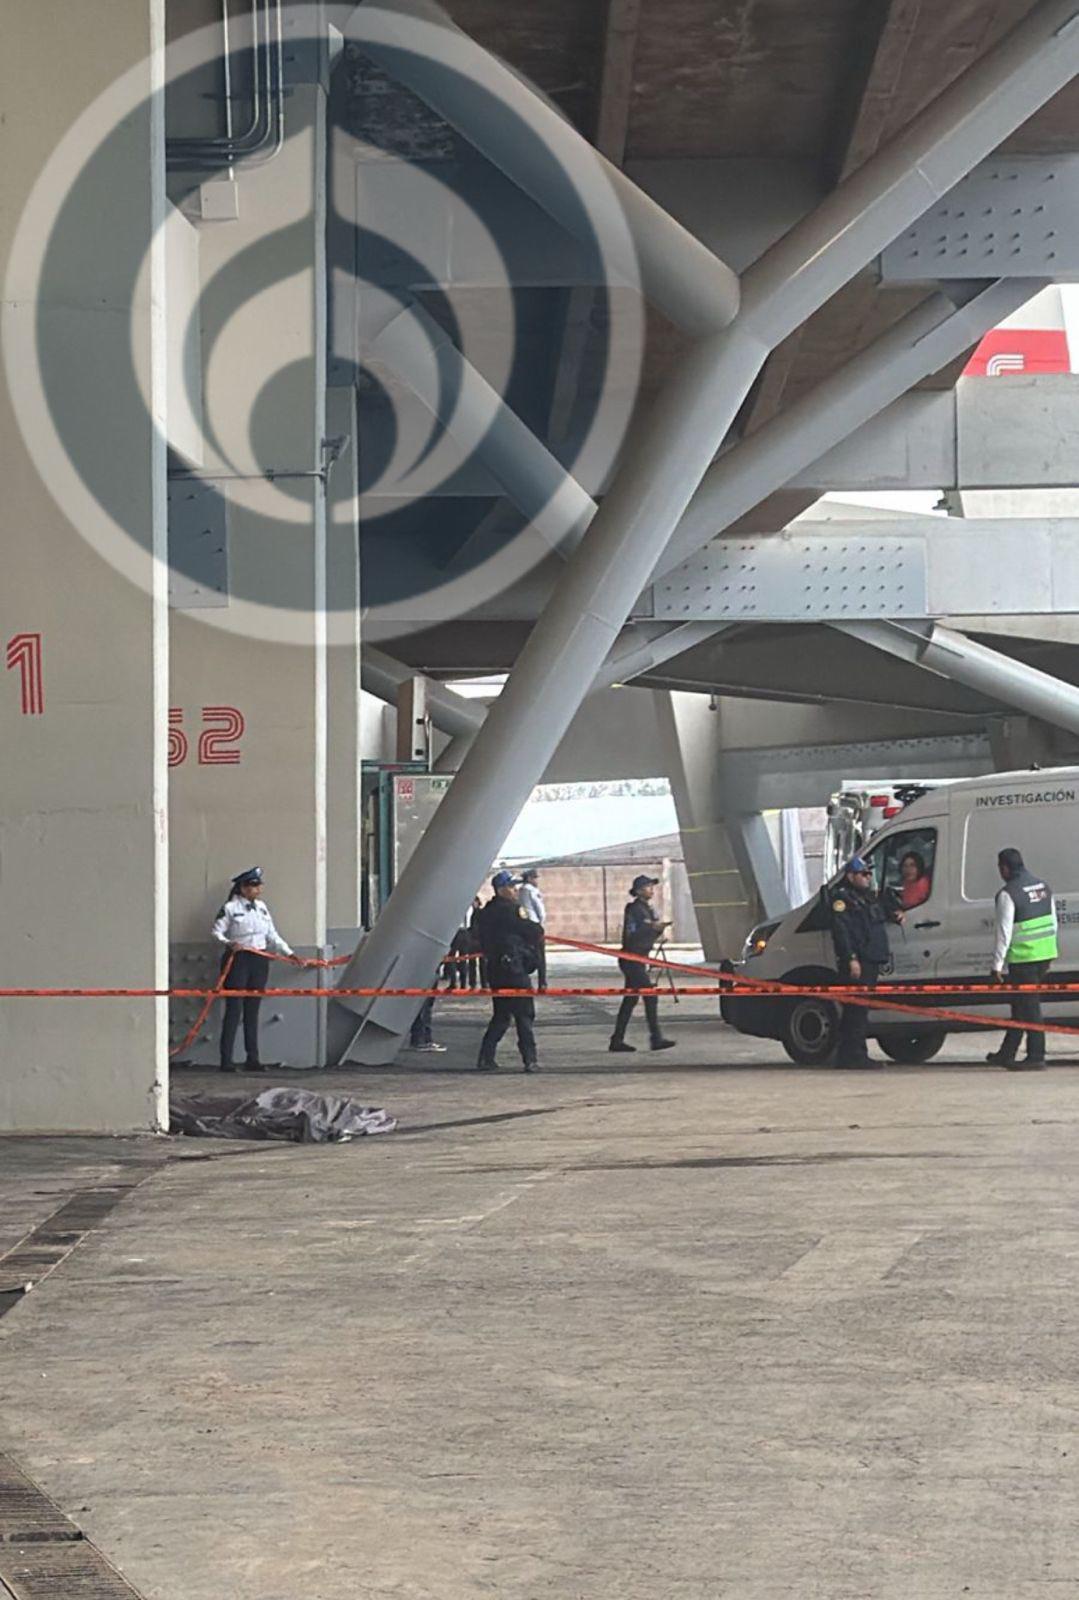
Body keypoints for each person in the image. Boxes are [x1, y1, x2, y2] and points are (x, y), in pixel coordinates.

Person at [211, 867, 304, 1073]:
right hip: (238, 959)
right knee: (234, 1009)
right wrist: (229, 943)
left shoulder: (262, 908)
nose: (258, 889)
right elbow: (216, 932)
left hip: (259, 959)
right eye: (253, 885)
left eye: (259, 885)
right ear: (243, 888)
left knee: (252, 1010)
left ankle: (252, 1058)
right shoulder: (230, 907)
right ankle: (226, 1060)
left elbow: (272, 934)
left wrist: (289, 953)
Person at [828, 855, 902, 1068]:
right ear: (851, 876)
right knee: (856, 1009)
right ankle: (854, 1056)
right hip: (858, 960)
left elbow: (877, 915)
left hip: (870, 959)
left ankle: (849, 1054)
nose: (868, 877)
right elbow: (842, 932)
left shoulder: (867, 897)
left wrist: (895, 914)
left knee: (860, 1008)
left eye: (869, 873)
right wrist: (851, 958)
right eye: (863, 874)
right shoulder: (842, 899)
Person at [987, 847, 1058, 1070]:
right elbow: (1053, 922)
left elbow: (1004, 932)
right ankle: (1006, 1053)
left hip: (1024, 958)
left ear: (1004, 868)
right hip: (1044, 955)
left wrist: (996, 965)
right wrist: (1050, 953)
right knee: (1020, 1006)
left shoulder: (1009, 893)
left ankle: (1036, 1056)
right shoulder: (1043, 887)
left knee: (1029, 1008)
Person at [473, 870, 543, 1073]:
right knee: (524, 1015)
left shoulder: (486, 912)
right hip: (514, 969)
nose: (515, 890)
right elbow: (532, 930)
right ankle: (530, 1059)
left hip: (495, 969)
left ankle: (486, 1057)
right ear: (501, 889)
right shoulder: (510, 910)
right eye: (512, 887)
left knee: (502, 1015)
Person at [609, 874, 676, 1054]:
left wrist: (656, 929)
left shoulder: (647, 908)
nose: (651, 889)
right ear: (639, 891)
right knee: (649, 995)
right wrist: (654, 928)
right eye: (647, 887)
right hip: (632, 959)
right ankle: (656, 1038)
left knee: (630, 1000)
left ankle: (617, 1039)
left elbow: (648, 931)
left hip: (639, 958)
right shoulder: (635, 909)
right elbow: (636, 933)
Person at [517, 867, 548, 990]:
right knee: (540, 955)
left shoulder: (519, 891)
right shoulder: (532, 891)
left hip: (523, 926)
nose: (537, 880)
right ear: (529, 878)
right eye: (535, 877)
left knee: (524, 954)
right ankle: (542, 982)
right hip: (534, 924)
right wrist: (541, 922)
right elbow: (540, 909)